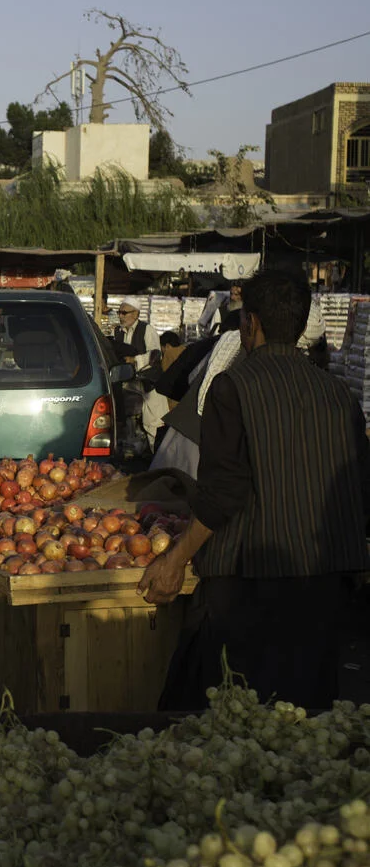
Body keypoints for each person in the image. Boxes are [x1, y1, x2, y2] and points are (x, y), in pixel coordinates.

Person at [139, 270, 370, 710]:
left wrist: (175, 558)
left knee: (222, 711)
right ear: (301, 327)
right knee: (304, 716)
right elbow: (359, 488)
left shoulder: (234, 387)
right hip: (322, 586)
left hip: (250, 586)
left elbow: (224, 492)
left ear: (250, 323)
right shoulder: (340, 395)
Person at [141, 330, 185, 451]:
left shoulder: (170, 354)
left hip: (171, 407)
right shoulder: (186, 352)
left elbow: (164, 376)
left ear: (167, 346)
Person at [113, 301, 161, 368]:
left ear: (135, 314)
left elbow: (156, 354)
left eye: (124, 313)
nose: (120, 316)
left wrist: (134, 360)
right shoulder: (117, 331)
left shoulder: (147, 329)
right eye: (119, 313)